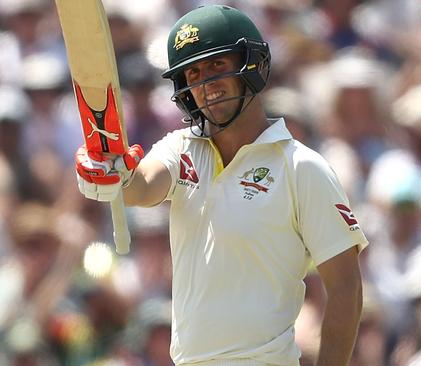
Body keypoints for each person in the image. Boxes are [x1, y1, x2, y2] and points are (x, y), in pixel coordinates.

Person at [75, 5, 367, 366]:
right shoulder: (181, 148)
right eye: (193, 72)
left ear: (251, 64)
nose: (206, 84)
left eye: (216, 65)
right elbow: (141, 187)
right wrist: (110, 172)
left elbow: (346, 290)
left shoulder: (301, 168)